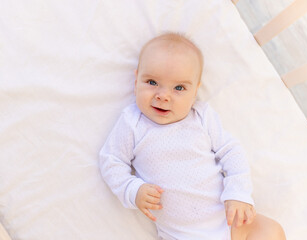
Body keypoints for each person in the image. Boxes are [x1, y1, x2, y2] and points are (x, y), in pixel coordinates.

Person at [99, 32, 286, 240]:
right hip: (181, 235)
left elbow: (231, 152)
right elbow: (112, 161)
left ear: (195, 92)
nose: (163, 95)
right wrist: (133, 190)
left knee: (271, 231)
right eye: (152, 82)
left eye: (179, 88)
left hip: (230, 221)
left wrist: (238, 193)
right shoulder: (132, 123)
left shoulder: (201, 116)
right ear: (136, 81)